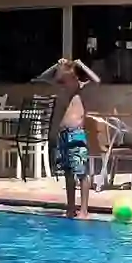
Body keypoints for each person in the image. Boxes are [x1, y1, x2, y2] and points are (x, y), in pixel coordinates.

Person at [42, 58, 100, 219]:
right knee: (68, 173)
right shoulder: (60, 88)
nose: (64, 80)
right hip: (62, 135)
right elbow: (42, 77)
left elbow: (96, 80)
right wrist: (55, 65)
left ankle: (84, 210)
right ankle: (70, 208)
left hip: (76, 134)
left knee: (81, 173)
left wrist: (81, 65)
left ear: (74, 76)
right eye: (62, 76)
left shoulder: (80, 88)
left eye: (66, 76)